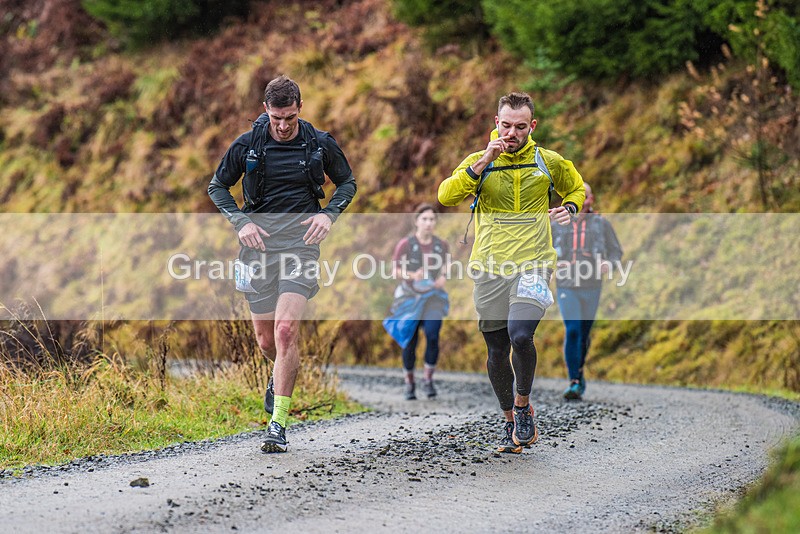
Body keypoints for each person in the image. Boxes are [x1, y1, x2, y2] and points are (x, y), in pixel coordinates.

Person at [208, 75, 357, 453]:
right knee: (266, 340)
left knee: (286, 330)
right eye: (277, 117)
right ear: (265, 111)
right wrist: (241, 223)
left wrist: (329, 215)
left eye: (290, 117)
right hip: (257, 251)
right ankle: (280, 373)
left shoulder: (319, 143)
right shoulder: (248, 145)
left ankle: (278, 425)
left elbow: (347, 184)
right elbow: (217, 187)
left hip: (301, 247)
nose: (284, 125)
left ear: (300, 109)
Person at [438, 92, 585, 454]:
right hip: (490, 266)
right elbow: (445, 195)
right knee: (496, 348)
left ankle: (522, 407)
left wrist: (570, 207)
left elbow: (576, 187)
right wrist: (484, 161)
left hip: (534, 262)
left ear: (532, 126)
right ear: (496, 122)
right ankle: (508, 419)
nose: (512, 132)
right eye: (506, 125)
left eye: (521, 126)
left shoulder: (547, 161)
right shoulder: (480, 161)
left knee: (521, 335)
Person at [551, 183, 622, 400]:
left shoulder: (601, 223)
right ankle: (574, 381)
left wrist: (609, 264)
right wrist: (552, 263)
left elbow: (616, 251)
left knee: (583, 334)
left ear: (591, 199)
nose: (581, 200)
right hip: (566, 284)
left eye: (586, 196)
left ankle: (579, 372)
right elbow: (543, 249)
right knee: (572, 329)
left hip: (591, 284)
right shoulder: (557, 224)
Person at [383, 203, 449, 400]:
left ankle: (428, 380)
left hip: (433, 297)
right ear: (416, 221)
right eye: (425, 219)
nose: (428, 223)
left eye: (432, 219)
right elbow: (394, 271)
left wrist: (443, 277)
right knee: (409, 341)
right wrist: (412, 274)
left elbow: (446, 265)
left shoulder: (441, 244)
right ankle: (409, 383)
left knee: (432, 333)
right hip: (410, 298)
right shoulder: (406, 244)